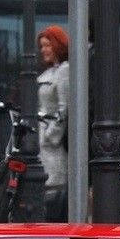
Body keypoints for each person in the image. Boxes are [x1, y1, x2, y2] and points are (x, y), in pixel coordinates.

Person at [34, 26, 71, 205]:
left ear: (57, 45)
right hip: (42, 136)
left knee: (54, 190)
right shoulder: (49, 72)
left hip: (53, 143)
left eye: (47, 45)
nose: (43, 50)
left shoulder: (64, 70)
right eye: (42, 46)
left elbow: (64, 108)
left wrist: (51, 136)